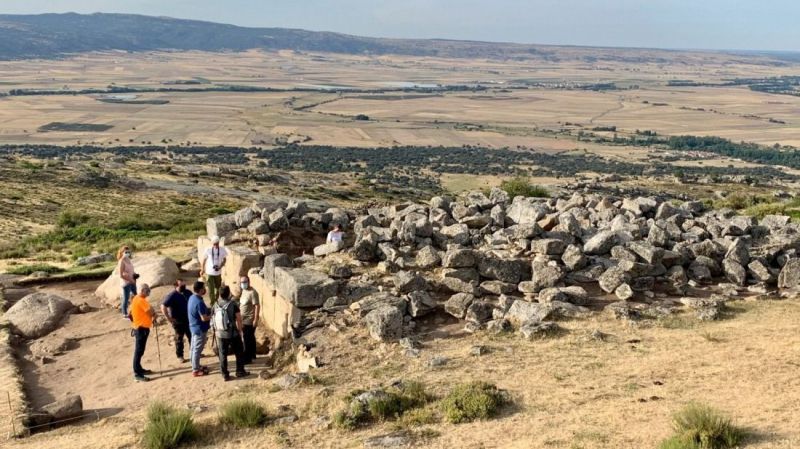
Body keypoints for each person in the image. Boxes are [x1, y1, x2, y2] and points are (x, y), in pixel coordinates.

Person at [213, 286, 248, 381]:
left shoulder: (216, 304)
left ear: (220, 294)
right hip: (232, 333)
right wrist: (240, 331)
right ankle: (240, 371)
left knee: (223, 354)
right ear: (228, 294)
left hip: (220, 334)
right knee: (239, 352)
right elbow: (239, 319)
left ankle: (225, 374)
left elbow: (213, 317)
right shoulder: (233, 304)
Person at [160, 279, 192, 363]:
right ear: (176, 286)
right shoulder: (172, 295)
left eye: (184, 284)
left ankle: (194, 353)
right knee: (179, 339)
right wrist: (168, 318)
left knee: (191, 337)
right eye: (182, 285)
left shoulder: (187, 292)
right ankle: (180, 356)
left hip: (188, 319)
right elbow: (163, 306)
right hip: (178, 321)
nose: (184, 286)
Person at [130, 284, 155, 382]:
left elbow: (150, 308)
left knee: (140, 351)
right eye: (147, 291)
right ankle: (137, 373)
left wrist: (152, 311)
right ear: (142, 290)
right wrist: (153, 314)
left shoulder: (137, 298)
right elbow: (150, 312)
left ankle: (139, 369)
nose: (148, 292)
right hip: (141, 329)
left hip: (140, 328)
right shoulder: (140, 300)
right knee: (138, 351)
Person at [187, 280, 212, 377]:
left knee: (193, 348)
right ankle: (195, 370)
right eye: (204, 288)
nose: (205, 289)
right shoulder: (199, 302)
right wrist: (212, 316)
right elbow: (204, 318)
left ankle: (194, 365)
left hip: (193, 327)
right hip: (200, 329)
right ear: (201, 290)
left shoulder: (192, 298)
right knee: (197, 349)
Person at [237, 276, 260, 365]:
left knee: (247, 339)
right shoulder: (244, 291)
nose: (243, 284)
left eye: (245, 282)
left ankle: (248, 358)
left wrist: (255, 319)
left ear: (249, 281)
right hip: (243, 319)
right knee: (250, 337)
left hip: (249, 319)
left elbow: (257, 306)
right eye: (242, 282)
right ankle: (252, 354)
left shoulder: (253, 292)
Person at [200, 236, 227, 305]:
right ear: (212, 243)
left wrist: (220, 266)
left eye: (217, 244)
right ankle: (212, 303)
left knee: (217, 288)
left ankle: (216, 300)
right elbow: (204, 260)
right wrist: (202, 269)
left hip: (218, 272)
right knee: (211, 289)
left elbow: (224, 259)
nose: (215, 245)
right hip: (209, 272)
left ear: (219, 243)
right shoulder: (208, 249)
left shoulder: (222, 250)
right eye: (214, 244)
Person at [117, 245, 137, 319]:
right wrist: (130, 280)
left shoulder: (128, 259)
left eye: (128, 252)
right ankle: (124, 314)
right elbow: (121, 275)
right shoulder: (121, 261)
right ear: (122, 252)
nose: (127, 253)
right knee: (126, 298)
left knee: (135, 296)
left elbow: (131, 269)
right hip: (126, 283)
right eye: (126, 252)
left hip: (132, 281)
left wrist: (135, 274)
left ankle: (135, 310)